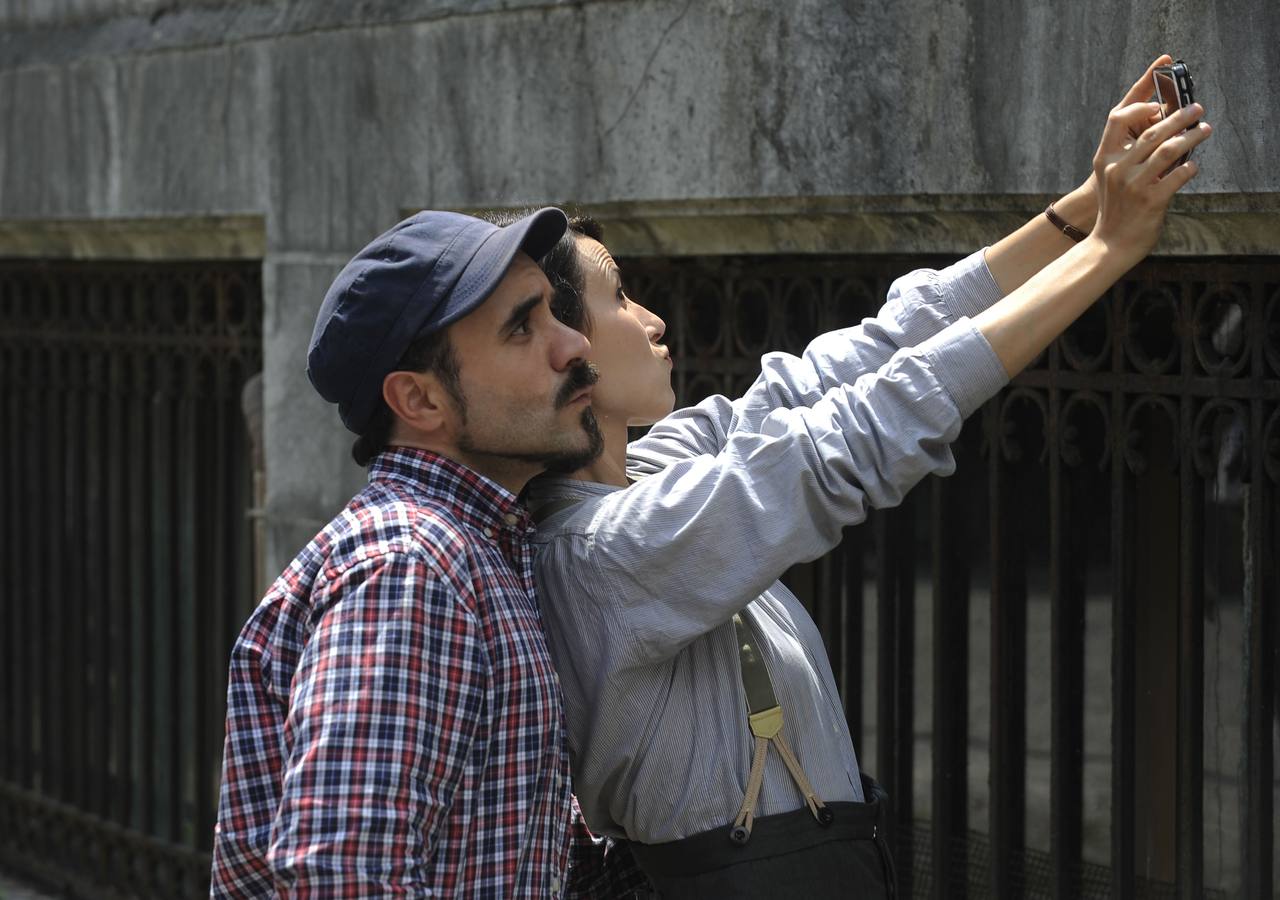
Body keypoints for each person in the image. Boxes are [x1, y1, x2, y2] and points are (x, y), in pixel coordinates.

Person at [525, 56, 1212, 897]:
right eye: (620, 298)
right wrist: (1109, 248)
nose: (653, 318)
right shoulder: (601, 551)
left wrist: (1081, 207)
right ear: (567, 353)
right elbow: (857, 434)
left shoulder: (648, 470)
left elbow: (863, 357)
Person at [210, 208, 648, 897]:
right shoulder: (412, 564)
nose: (572, 345)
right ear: (419, 399)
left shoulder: (480, 544)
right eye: (521, 327)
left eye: (557, 313)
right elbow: (342, 876)